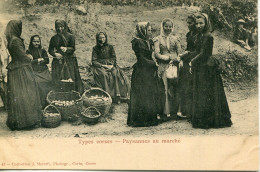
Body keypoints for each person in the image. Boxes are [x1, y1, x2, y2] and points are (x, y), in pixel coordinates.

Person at [189, 13, 232, 129]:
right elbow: (196, 51)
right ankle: (202, 118)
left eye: (201, 23)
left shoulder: (208, 36)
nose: (198, 25)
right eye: (197, 23)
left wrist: (192, 61)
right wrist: (187, 56)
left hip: (207, 68)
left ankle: (209, 120)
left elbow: (204, 54)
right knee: (202, 93)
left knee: (207, 93)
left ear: (206, 23)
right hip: (200, 67)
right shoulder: (199, 35)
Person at [4, 20, 42, 130]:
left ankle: (20, 121)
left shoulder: (11, 39)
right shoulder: (15, 41)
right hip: (20, 71)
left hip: (16, 69)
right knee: (27, 94)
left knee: (20, 96)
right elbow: (22, 56)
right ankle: (27, 122)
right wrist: (29, 57)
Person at [127, 22, 164, 127]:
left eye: (151, 30)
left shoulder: (147, 41)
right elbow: (142, 59)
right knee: (143, 94)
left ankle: (149, 118)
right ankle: (141, 120)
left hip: (148, 70)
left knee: (149, 94)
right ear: (142, 31)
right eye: (148, 30)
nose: (150, 32)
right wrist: (154, 64)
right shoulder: (138, 42)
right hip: (141, 72)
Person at [153, 18, 182, 121]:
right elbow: (157, 53)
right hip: (163, 66)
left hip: (174, 65)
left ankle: (176, 111)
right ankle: (166, 112)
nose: (168, 28)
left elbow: (179, 52)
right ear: (163, 27)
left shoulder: (175, 38)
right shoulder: (157, 39)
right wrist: (167, 58)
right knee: (165, 88)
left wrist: (177, 59)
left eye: (170, 26)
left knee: (175, 88)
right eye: (166, 26)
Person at [91, 32, 130, 103]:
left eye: (103, 37)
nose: (102, 39)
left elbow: (113, 57)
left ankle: (117, 96)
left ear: (106, 38)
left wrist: (111, 65)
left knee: (115, 74)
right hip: (100, 66)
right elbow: (94, 61)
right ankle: (108, 96)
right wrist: (102, 65)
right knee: (104, 75)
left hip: (110, 65)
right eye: (100, 38)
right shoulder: (95, 48)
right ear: (97, 39)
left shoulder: (110, 47)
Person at [48, 20, 84, 94]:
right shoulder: (54, 38)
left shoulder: (71, 36)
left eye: (61, 27)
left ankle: (73, 94)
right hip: (58, 60)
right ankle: (59, 94)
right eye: (58, 27)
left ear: (65, 27)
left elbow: (73, 48)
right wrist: (55, 54)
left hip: (70, 60)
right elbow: (50, 50)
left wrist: (67, 49)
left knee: (71, 77)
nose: (60, 29)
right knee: (58, 77)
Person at [179, 14, 197, 119]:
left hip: (194, 60)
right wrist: (184, 53)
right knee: (186, 86)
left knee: (193, 85)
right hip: (187, 60)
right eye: (188, 23)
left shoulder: (199, 35)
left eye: (191, 23)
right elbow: (189, 48)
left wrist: (187, 53)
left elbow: (198, 50)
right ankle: (187, 111)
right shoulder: (189, 34)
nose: (189, 25)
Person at [26, 35, 52, 108]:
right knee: (38, 83)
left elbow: (47, 60)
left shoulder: (43, 50)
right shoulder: (28, 51)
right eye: (34, 41)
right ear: (31, 42)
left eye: (38, 41)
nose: (36, 43)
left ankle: (47, 103)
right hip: (35, 72)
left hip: (44, 71)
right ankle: (40, 104)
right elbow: (28, 62)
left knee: (49, 81)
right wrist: (37, 60)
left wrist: (41, 61)